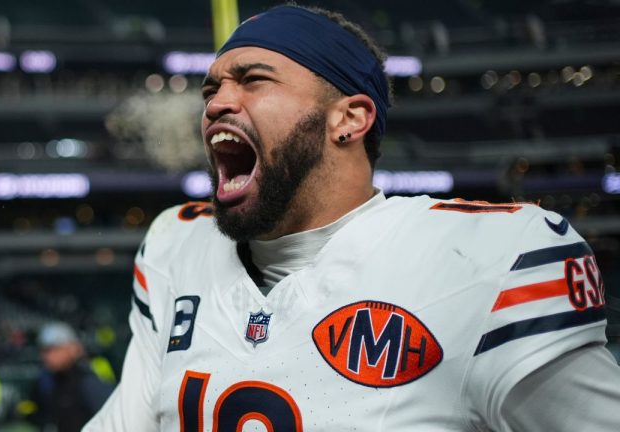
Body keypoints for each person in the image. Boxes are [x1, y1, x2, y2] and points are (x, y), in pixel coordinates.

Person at [86, 4, 620, 431]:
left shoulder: (491, 260)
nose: (217, 103)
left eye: (252, 80)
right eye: (212, 88)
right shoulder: (174, 245)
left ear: (349, 118)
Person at [24, 322, 114, 432]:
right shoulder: (48, 380)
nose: (46, 356)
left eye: (53, 349)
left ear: (72, 348)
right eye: (44, 350)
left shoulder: (88, 381)